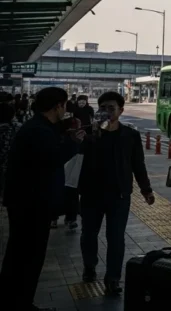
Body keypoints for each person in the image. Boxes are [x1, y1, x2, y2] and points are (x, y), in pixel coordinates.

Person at [0, 87, 84, 311]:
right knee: (28, 258)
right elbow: (51, 159)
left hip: (26, 202)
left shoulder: (39, 126)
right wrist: (73, 144)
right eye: (64, 106)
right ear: (57, 106)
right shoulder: (38, 130)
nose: (65, 110)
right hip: (32, 204)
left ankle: (15, 301)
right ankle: (20, 303)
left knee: (20, 255)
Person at [78, 91, 155, 295]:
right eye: (103, 108)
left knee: (116, 238)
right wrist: (89, 136)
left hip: (119, 195)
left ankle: (113, 278)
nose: (107, 112)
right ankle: (90, 265)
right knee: (88, 235)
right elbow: (75, 159)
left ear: (121, 110)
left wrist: (146, 189)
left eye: (111, 108)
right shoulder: (88, 133)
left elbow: (138, 164)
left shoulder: (130, 135)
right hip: (90, 194)